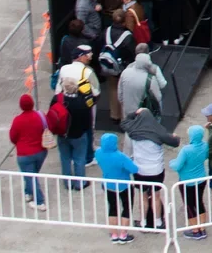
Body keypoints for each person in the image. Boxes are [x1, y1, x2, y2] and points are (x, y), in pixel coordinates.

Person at [121, 106, 179, 231]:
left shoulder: (133, 130)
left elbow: (124, 122)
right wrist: (174, 136)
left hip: (140, 170)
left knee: (142, 196)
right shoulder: (159, 132)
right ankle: (158, 222)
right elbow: (175, 142)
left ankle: (143, 222)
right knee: (156, 196)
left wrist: (134, 113)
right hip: (156, 170)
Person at [56, 44, 99, 187]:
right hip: (81, 122)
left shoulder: (63, 69)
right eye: (88, 55)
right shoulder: (87, 72)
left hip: (62, 124)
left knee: (65, 157)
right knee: (80, 153)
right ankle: (81, 180)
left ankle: (67, 182)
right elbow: (96, 92)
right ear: (81, 56)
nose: (90, 58)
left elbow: (57, 91)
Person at [95, 131, 139, 243]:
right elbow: (134, 169)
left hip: (108, 184)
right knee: (127, 208)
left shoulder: (99, 153)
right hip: (124, 185)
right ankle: (123, 235)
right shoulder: (120, 156)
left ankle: (114, 234)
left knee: (112, 208)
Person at [8, 93, 48, 210]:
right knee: (32, 174)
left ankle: (39, 202)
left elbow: (13, 137)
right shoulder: (40, 116)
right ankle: (28, 192)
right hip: (41, 152)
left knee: (30, 176)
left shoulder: (17, 120)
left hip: (25, 154)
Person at [171, 125, 210, 240]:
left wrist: (172, 163)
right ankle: (202, 228)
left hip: (187, 181)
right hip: (201, 179)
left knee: (189, 205)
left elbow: (177, 165)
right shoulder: (205, 146)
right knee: (199, 202)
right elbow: (206, 156)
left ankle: (195, 231)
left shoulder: (186, 150)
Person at [118, 45, 166, 123]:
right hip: (147, 112)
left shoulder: (127, 69)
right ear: (148, 53)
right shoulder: (154, 69)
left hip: (129, 111)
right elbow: (161, 89)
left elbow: (120, 94)